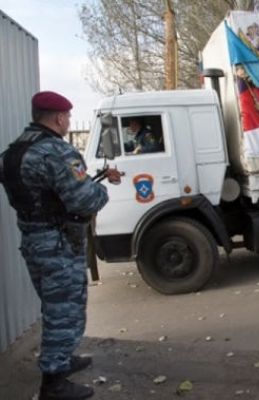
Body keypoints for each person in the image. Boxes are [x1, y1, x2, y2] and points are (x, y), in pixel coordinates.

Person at [0, 91, 121, 400]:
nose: (68, 121)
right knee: (65, 311)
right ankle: (53, 383)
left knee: (53, 306)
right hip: (59, 245)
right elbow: (84, 200)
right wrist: (103, 192)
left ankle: (63, 360)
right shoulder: (58, 152)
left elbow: (45, 194)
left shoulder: (12, 153)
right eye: (67, 116)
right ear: (58, 118)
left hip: (34, 240)